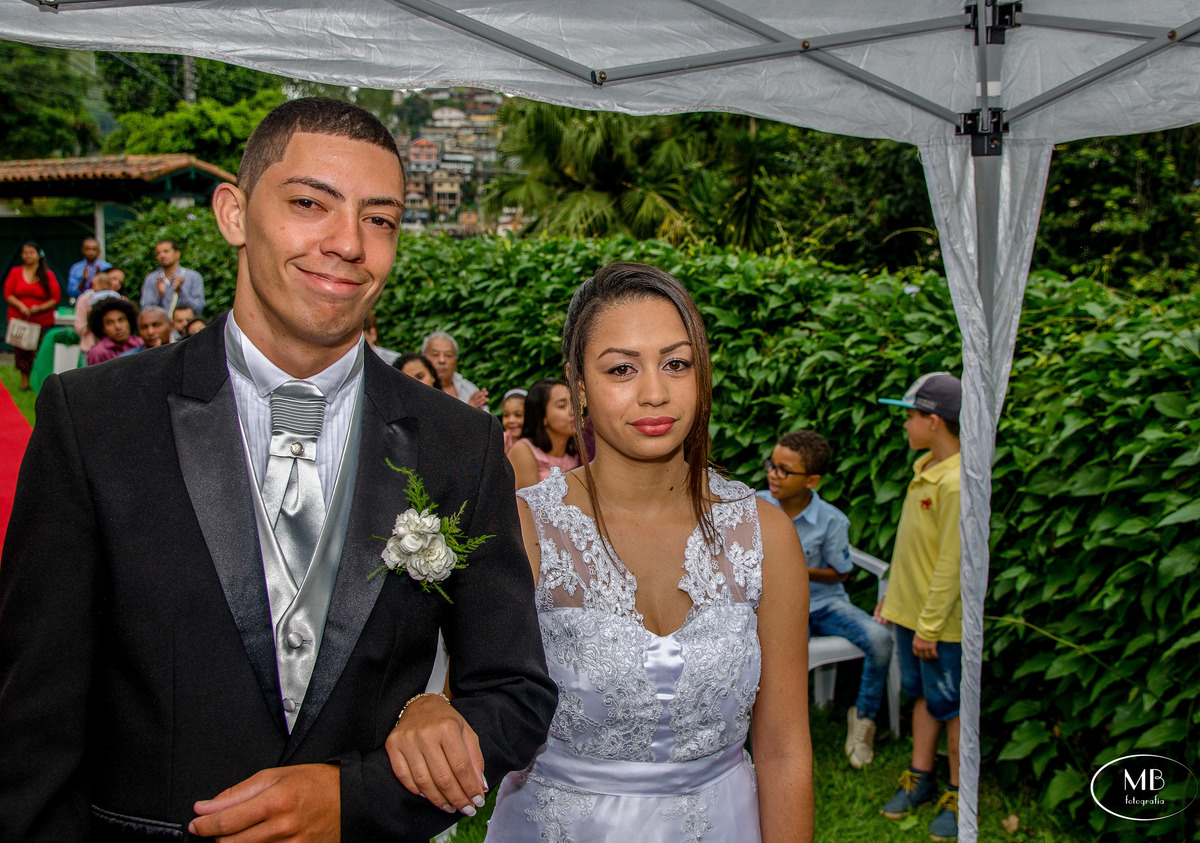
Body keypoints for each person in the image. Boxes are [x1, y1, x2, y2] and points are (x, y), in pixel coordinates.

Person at [0, 96, 556, 843]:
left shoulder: (460, 443)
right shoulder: (95, 420)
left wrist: (356, 798)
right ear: (233, 214)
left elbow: (513, 693)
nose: (349, 243)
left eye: (380, 219)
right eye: (309, 204)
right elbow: (32, 727)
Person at [390, 262, 815, 841]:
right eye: (621, 368)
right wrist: (426, 708)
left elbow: (785, 748)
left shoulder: (765, 535)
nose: (655, 393)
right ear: (579, 384)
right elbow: (467, 699)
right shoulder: (524, 528)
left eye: (677, 363)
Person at [757, 430, 893, 770]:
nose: (774, 474)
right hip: (776, 607)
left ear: (812, 480)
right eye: (772, 465)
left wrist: (794, 568)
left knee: (880, 639)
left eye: (784, 470)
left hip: (824, 603)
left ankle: (863, 719)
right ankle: (778, 732)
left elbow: (841, 573)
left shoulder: (831, 520)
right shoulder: (755, 506)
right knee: (784, 656)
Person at [875, 372, 963, 841]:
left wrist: (929, 626)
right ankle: (921, 777)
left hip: (940, 626)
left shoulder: (957, 481)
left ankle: (959, 793)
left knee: (952, 706)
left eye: (910, 416)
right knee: (924, 697)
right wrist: (893, 598)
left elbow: (952, 561)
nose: (905, 425)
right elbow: (913, 548)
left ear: (933, 420)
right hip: (911, 616)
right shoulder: (925, 469)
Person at [4, 241, 61, 391]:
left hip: (42, 319)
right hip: (20, 319)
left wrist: (39, 308)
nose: (28, 256)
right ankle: (24, 382)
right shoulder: (15, 272)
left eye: (31, 252)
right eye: (25, 253)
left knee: (41, 350)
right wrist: (21, 306)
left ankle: (42, 380)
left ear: (38, 255)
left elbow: (55, 298)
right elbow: (8, 294)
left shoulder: (47, 274)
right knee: (21, 351)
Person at [506, 377, 580, 489]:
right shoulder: (524, 450)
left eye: (574, 403)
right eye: (562, 406)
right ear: (542, 416)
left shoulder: (575, 452)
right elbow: (530, 500)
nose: (573, 411)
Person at [422, 330, 488, 409]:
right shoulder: (420, 389)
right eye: (435, 355)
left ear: (456, 361)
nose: (442, 360)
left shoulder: (469, 389)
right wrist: (468, 410)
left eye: (448, 355)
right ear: (424, 359)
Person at [140, 238, 205, 316]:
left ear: (177, 254)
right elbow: (146, 310)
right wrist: (159, 295)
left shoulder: (193, 277)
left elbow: (198, 308)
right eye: (158, 253)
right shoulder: (151, 279)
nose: (162, 255)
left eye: (166, 251)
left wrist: (180, 292)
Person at [85, 296, 143, 364]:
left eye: (121, 320)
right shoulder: (97, 353)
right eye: (110, 323)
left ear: (129, 322)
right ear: (102, 328)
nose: (118, 327)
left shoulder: (140, 343)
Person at [74, 268, 121, 353]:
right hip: (89, 347)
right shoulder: (85, 299)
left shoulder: (93, 298)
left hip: (114, 347)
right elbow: (79, 328)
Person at [66, 236, 112, 300]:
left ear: (99, 251)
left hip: (103, 302)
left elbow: (112, 289)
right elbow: (72, 292)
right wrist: (84, 280)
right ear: (82, 250)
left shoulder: (107, 267)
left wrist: (99, 277)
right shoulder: (76, 268)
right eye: (87, 249)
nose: (91, 252)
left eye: (94, 249)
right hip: (82, 302)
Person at [498, 388, 526, 454]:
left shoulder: (537, 442)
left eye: (518, 415)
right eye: (506, 415)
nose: (511, 420)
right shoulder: (499, 440)